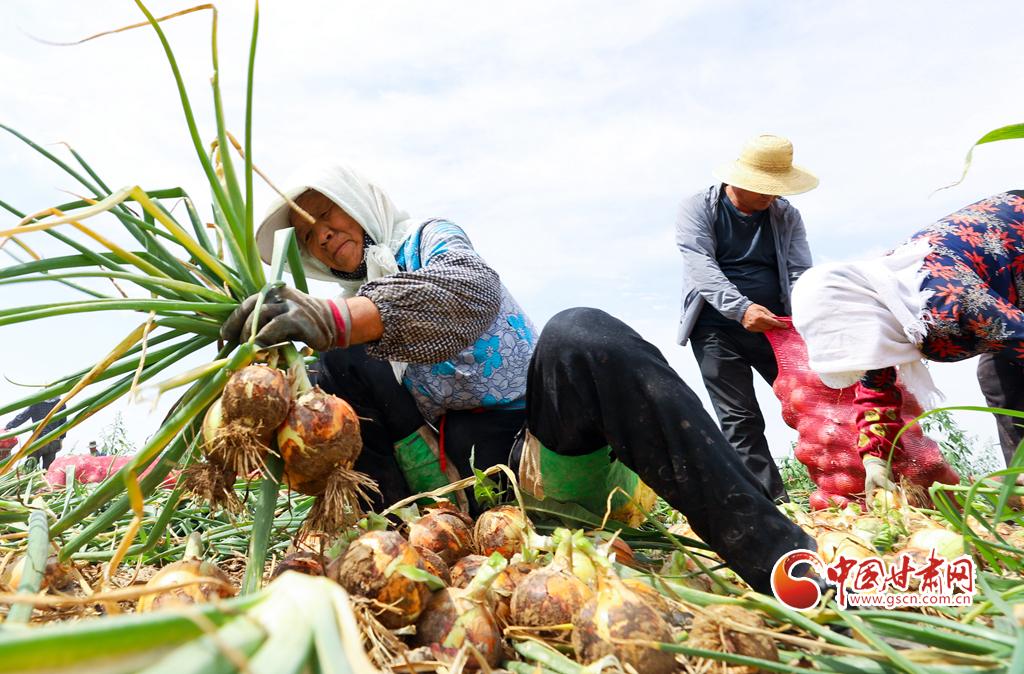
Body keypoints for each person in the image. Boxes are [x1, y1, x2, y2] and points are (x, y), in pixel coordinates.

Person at [219, 163, 816, 594]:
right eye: (306, 234)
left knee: (581, 332)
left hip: (545, 456)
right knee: (334, 375)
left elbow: (469, 291)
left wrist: (337, 318)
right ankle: (402, 564)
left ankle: (776, 555)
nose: (321, 233)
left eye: (326, 214)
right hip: (457, 502)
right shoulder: (345, 321)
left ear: (358, 198)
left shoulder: (429, 239)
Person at [792, 190, 1024, 491]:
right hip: (1007, 289)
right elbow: (876, 385)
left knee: (1001, 372)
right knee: (1000, 376)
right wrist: (876, 459)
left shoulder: (947, 299)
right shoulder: (881, 311)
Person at [676, 134, 818, 502]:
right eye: (763, 189)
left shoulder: (786, 214)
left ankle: (837, 492)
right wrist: (741, 309)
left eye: (776, 188)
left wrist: (805, 311)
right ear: (739, 180)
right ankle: (773, 505)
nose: (771, 196)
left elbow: (800, 268)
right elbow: (701, 268)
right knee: (741, 419)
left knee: (812, 405)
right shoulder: (698, 209)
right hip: (714, 329)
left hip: (778, 328)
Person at [2, 397, 68, 469]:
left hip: (38, 440)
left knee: (30, 468)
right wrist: (61, 439)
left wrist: (8, 426)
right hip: (53, 441)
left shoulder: (37, 402)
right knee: (48, 471)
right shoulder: (60, 403)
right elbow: (63, 423)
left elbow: (23, 416)